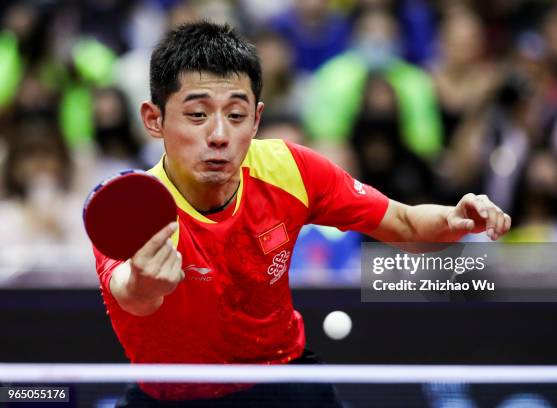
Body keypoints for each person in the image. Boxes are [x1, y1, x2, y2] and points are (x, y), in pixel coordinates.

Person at [92, 20, 512, 407]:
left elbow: (402, 223)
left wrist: (453, 218)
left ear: (256, 119)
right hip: (170, 396)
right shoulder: (130, 205)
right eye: (197, 115)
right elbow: (131, 295)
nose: (219, 135)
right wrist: (147, 282)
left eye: (235, 115)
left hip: (282, 382)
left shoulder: (290, 171)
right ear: (154, 119)